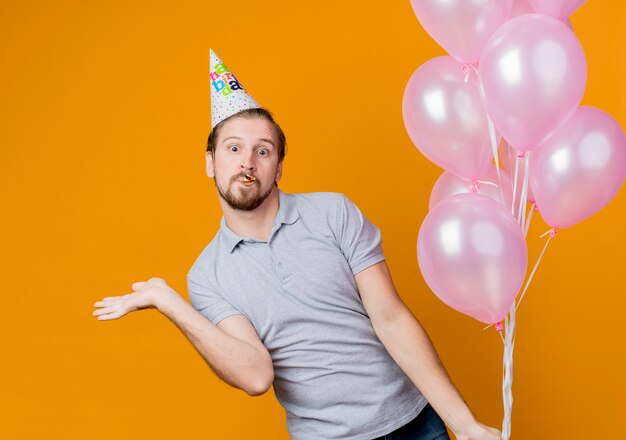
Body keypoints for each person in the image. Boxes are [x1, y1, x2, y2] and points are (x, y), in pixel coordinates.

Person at [93, 50, 501, 440]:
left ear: (279, 166)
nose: (247, 162)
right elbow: (256, 376)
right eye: (233, 148)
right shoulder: (207, 276)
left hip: (416, 424)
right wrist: (170, 302)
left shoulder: (333, 213)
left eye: (262, 151)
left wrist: (463, 424)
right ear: (210, 161)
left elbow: (390, 318)